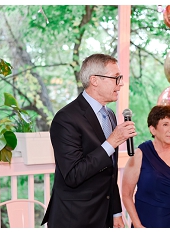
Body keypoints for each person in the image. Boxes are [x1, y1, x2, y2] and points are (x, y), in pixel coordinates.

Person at [42, 54, 136, 228]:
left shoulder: (110, 115)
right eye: (116, 78)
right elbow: (73, 175)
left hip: (104, 216)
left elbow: (110, 172)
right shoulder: (66, 118)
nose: (121, 83)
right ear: (95, 80)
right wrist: (111, 142)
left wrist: (116, 212)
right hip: (74, 217)